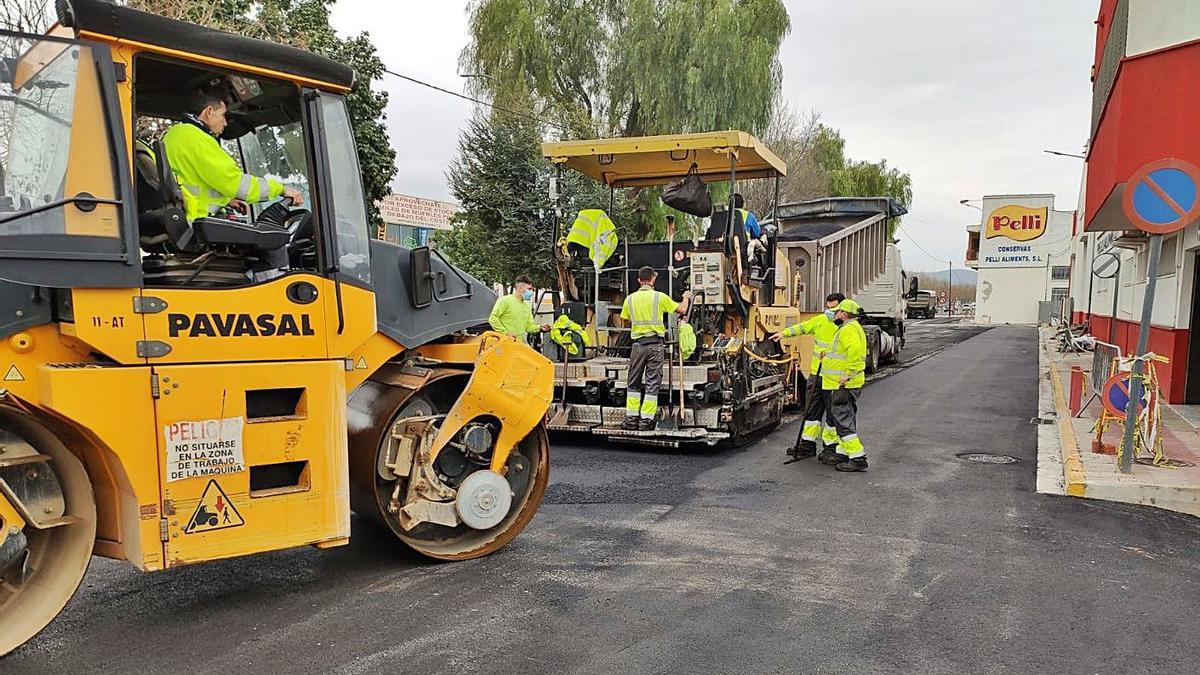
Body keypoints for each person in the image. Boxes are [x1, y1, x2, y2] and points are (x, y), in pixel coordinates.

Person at [162, 84, 304, 223]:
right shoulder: (197, 138)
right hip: (197, 222)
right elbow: (236, 183)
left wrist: (227, 200)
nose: (225, 123)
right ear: (209, 112)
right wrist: (281, 189)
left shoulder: (175, 134)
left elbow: (194, 182)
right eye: (223, 115)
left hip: (186, 219)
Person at [771, 292, 845, 462]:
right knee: (811, 411)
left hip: (834, 378)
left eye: (833, 308)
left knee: (833, 415)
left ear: (842, 309)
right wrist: (783, 334)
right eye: (827, 307)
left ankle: (831, 447)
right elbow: (802, 327)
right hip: (816, 375)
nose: (829, 311)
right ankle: (807, 445)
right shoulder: (820, 321)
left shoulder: (845, 328)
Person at [621, 266, 692, 430]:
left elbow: (625, 321)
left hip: (638, 345)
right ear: (653, 280)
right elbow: (682, 309)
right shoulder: (659, 297)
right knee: (652, 382)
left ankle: (631, 419)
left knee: (633, 382)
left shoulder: (630, 299)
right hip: (655, 346)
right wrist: (686, 296)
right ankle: (646, 420)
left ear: (639, 280)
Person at [821, 299, 870, 472]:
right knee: (843, 417)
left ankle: (857, 457)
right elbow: (843, 352)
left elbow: (854, 352)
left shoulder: (849, 329)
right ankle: (842, 451)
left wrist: (847, 374)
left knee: (842, 419)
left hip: (843, 384)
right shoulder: (851, 328)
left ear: (845, 313)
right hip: (846, 383)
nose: (835, 313)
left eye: (838, 310)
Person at [489, 275, 551, 343]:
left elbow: (529, 327)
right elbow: (493, 318)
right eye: (529, 289)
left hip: (520, 345)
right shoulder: (504, 301)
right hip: (505, 344)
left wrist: (540, 327)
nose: (531, 292)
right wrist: (506, 333)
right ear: (520, 288)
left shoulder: (526, 306)